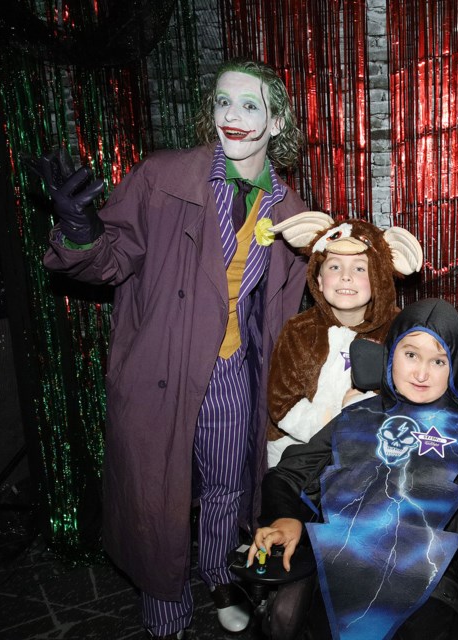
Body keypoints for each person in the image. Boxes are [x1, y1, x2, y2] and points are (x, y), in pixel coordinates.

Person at [34, 59, 309, 639]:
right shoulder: (163, 179)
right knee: (157, 493)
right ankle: (163, 599)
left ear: (278, 119)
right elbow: (109, 261)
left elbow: (296, 304)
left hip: (235, 369)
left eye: (251, 105)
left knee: (228, 488)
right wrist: (80, 227)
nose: (232, 116)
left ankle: (219, 575)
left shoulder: (288, 211)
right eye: (222, 102)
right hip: (161, 365)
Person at [246, 298, 458, 640]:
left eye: (438, 361)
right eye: (410, 355)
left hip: (428, 584)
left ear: (454, 367)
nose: (421, 373)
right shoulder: (355, 418)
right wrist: (285, 517)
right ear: (390, 353)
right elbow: (287, 475)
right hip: (340, 574)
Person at [265, 212, 423, 468]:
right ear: (318, 278)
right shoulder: (299, 330)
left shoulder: (399, 333)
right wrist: (336, 423)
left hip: (371, 454)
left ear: (378, 279)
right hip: (297, 454)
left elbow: (409, 397)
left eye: (360, 268)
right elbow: (281, 403)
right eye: (334, 266)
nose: (345, 276)